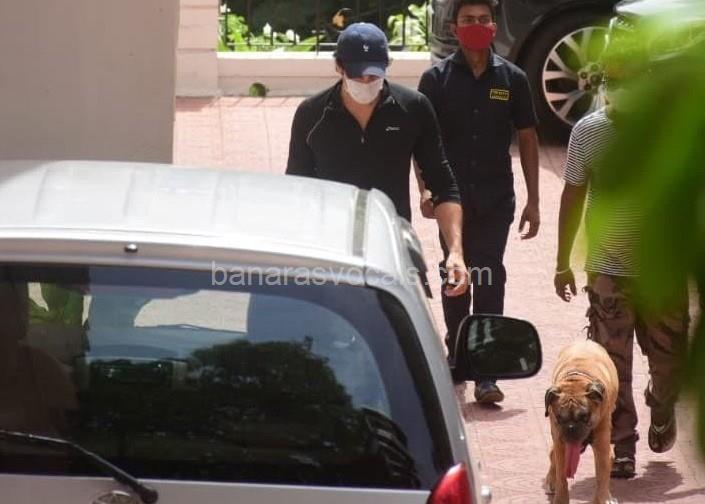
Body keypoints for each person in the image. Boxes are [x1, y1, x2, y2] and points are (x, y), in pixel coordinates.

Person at [554, 55, 689, 478]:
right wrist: (562, 262)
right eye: (614, 81)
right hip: (608, 269)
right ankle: (623, 444)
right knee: (614, 364)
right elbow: (573, 194)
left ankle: (662, 407)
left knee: (670, 361)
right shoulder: (587, 132)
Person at [286, 22, 468, 297]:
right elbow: (297, 190)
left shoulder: (413, 108)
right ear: (338, 67)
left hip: (391, 245)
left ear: (387, 66)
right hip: (332, 249)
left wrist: (455, 252)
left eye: (373, 75)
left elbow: (443, 183)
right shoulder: (311, 114)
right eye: (357, 75)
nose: (366, 83)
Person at [417, 0, 540, 404]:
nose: (477, 26)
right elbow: (423, 142)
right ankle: (458, 352)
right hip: (450, 199)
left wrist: (534, 200)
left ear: (494, 26)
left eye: (484, 20)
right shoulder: (435, 80)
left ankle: (486, 370)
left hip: (495, 199)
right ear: (455, 28)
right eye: (469, 20)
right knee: (455, 273)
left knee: (489, 275)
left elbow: (527, 137)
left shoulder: (513, 79)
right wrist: (425, 189)